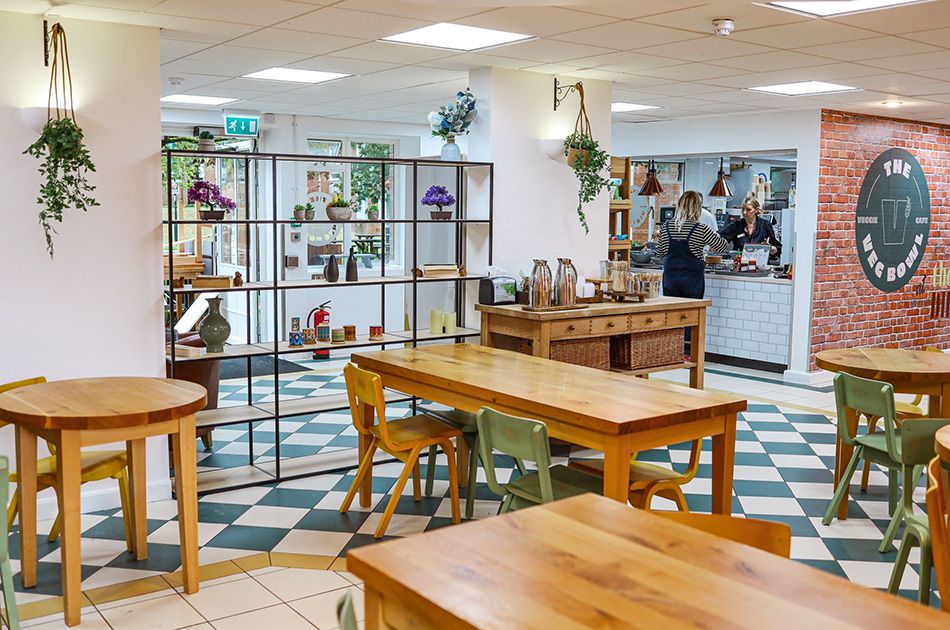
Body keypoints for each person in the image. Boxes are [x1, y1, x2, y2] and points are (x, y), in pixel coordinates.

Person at [655, 191, 730, 299]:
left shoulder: (666, 227)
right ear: (697, 208)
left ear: (679, 206)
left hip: (670, 279)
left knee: (671, 312)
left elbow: (660, 253)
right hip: (692, 281)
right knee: (693, 313)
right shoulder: (701, 228)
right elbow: (723, 246)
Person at [719, 194, 782, 261]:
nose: (744, 212)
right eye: (743, 209)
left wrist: (772, 249)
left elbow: (777, 247)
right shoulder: (736, 225)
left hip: (760, 265)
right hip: (739, 264)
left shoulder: (765, 225)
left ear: (756, 210)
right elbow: (718, 239)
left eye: (748, 210)